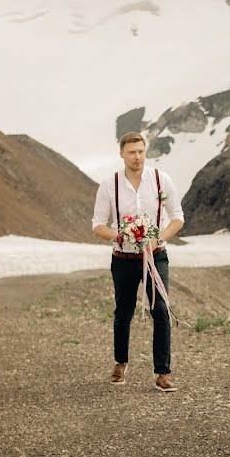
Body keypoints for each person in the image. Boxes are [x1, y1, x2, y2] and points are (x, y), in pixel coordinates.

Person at [92, 132, 185, 392]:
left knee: (161, 311)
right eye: (132, 152)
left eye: (141, 151)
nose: (137, 157)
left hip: (156, 257)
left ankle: (163, 373)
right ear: (122, 154)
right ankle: (120, 363)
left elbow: (177, 216)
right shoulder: (109, 185)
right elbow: (97, 225)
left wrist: (160, 239)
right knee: (123, 312)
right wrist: (119, 235)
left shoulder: (160, 180)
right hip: (122, 258)